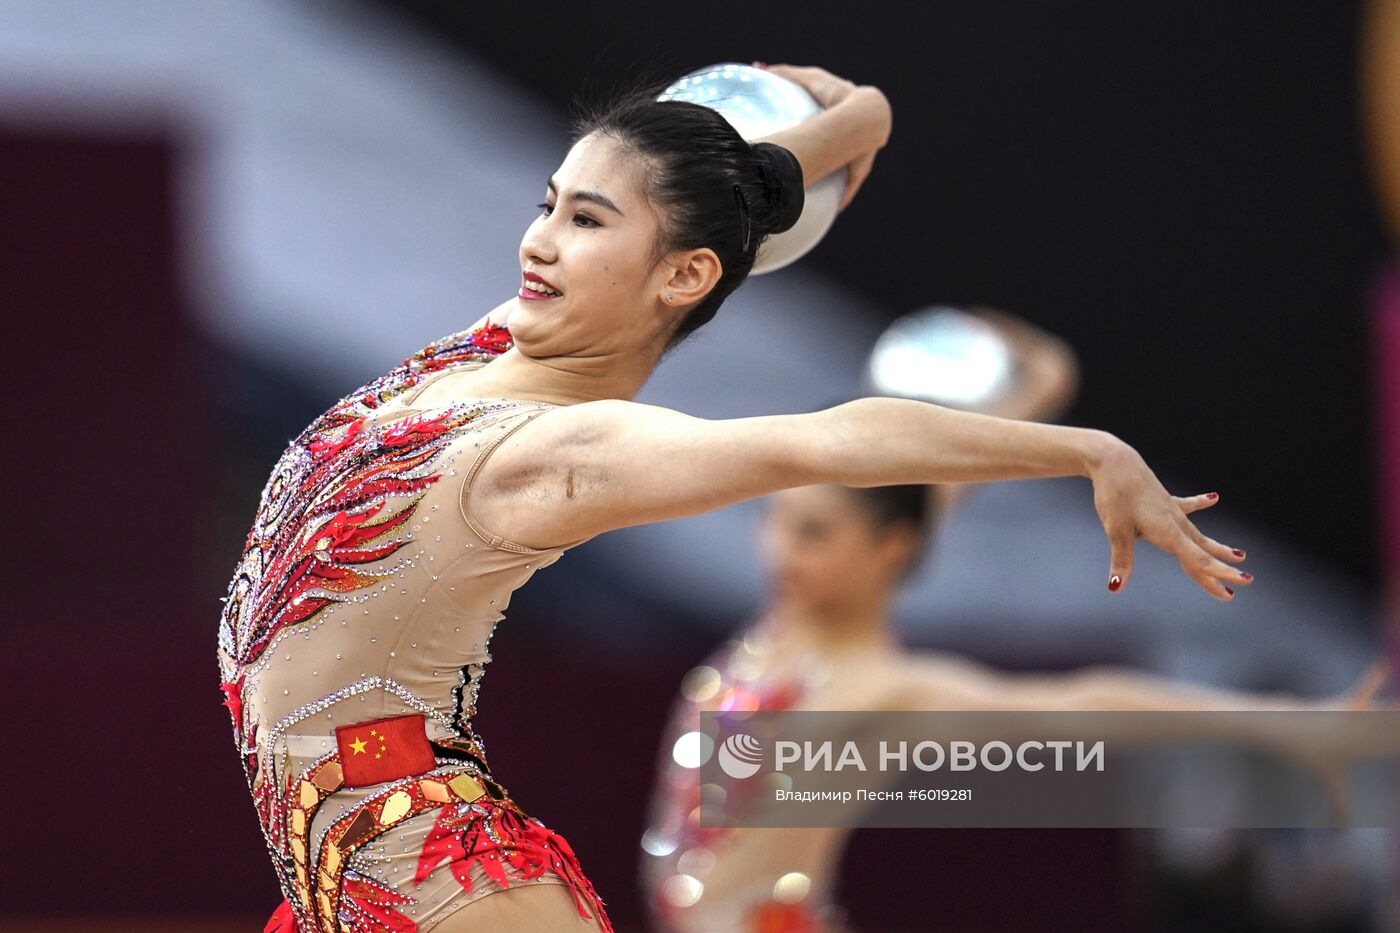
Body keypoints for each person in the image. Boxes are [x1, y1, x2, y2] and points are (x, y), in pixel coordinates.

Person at [218, 62, 1254, 933]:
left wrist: (1083, 451)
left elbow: (838, 437)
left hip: (440, 888)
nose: (538, 241)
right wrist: (857, 121)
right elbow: (729, 194)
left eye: (584, 221)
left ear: (679, 278)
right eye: (546, 203)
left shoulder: (564, 449)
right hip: (347, 883)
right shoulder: (487, 349)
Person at [637, 311, 1392, 932]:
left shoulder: (878, 688)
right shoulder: (799, 608)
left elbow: (1087, 704)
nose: (777, 549)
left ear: (889, 549)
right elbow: (940, 472)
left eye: (810, 533)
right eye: (776, 518)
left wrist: (1280, 724)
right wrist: (1036, 378)